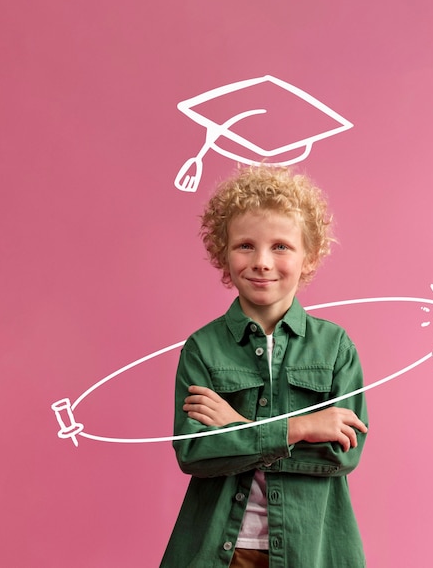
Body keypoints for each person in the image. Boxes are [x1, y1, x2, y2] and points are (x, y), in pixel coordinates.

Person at [160, 165, 368, 568]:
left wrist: (235, 426)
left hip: (311, 551)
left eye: (280, 247)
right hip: (220, 553)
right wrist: (300, 427)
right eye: (245, 246)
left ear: (308, 255)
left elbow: (341, 457)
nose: (261, 262)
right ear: (224, 253)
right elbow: (194, 452)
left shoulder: (336, 347)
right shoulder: (202, 349)